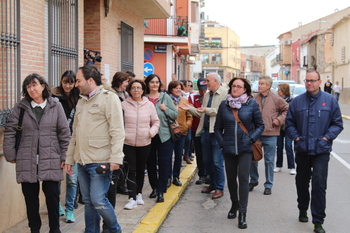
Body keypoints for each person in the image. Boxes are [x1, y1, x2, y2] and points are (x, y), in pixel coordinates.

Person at [4, 73, 71, 233]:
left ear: (43, 86)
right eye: (28, 87)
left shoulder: (56, 105)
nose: (31, 89)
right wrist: (10, 155)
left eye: (34, 85)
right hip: (27, 159)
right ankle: (34, 229)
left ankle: (55, 229)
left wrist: (65, 156)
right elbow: (10, 131)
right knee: (30, 199)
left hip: (51, 158)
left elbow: (64, 132)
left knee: (52, 196)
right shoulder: (20, 108)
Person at [65, 65, 125, 233]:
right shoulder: (81, 101)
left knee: (98, 200)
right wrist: (69, 159)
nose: (76, 84)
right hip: (82, 161)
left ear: (90, 80)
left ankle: (114, 229)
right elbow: (75, 134)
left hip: (101, 161)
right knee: (88, 201)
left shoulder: (109, 98)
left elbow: (117, 131)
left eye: (78, 80)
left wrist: (116, 158)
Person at [285, 70, 343, 233]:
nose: (309, 83)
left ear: (319, 81)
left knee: (319, 184)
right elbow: (289, 124)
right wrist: (297, 138)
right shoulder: (297, 102)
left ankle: (318, 221)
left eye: (312, 80)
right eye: (307, 80)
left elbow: (337, 124)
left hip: (321, 151)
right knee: (302, 182)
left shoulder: (330, 101)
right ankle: (302, 208)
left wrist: (326, 138)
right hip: (302, 149)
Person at [215, 77, 264, 229]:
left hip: (245, 148)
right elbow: (217, 128)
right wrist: (223, 142)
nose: (235, 88)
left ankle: (243, 213)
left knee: (243, 179)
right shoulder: (224, 105)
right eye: (233, 86)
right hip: (228, 148)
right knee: (230, 179)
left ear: (245, 89)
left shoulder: (251, 104)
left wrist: (251, 138)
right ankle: (234, 204)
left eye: (238, 86)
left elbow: (260, 125)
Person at [187, 73, 227, 199]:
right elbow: (202, 114)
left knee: (217, 162)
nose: (206, 83)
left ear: (216, 81)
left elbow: (222, 112)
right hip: (205, 132)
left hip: (217, 133)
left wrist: (206, 110)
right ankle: (213, 184)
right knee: (207, 161)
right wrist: (189, 109)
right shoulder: (207, 94)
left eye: (208, 81)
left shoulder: (225, 93)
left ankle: (219, 188)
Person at [122, 79, 160, 210]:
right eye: (133, 88)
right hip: (128, 142)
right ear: (130, 90)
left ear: (143, 90)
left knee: (140, 169)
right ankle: (131, 197)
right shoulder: (123, 104)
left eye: (139, 88)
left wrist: (150, 133)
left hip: (145, 142)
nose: (136, 90)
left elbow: (156, 122)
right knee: (130, 169)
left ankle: (139, 194)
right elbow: (118, 123)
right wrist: (123, 135)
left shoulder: (149, 105)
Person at [249, 76, 289, 195]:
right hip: (256, 133)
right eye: (259, 84)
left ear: (268, 86)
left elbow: (287, 109)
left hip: (271, 133)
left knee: (269, 160)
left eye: (262, 84)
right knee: (253, 159)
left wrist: (279, 119)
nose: (259, 86)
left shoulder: (276, 99)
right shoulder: (254, 99)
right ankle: (253, 180)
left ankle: (268, 184)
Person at [51, 70, 80, 223]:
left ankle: (69, 209)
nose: (67, 85)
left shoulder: (79, 97)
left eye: (70, 82)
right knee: (55, 178)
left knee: (72, 179)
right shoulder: (54, 98)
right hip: (56, 142)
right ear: (61, 81)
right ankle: (56, 205)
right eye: (65, 82)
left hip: (73, 143)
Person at [145, 74, 178, 203]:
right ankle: (154, 187)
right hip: (148, 136)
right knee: (151, 163)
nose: (154, 84)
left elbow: (175, 114)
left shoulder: (165, 97)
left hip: (164, 136)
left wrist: (165, 109)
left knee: (164, 163)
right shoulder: (144, 98)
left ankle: (161, 191)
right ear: (147, 84)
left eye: (157, 82)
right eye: (152, 82)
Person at [167, 81, 193, 187]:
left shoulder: (184, 100)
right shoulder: (166, 100)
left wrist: (186, 126)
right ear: (171, 90)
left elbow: (190, 116)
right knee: (168, 156)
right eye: (175, 88)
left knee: (178, 156)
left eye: (179, 88)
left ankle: (176, 177)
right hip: (169, 133)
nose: (178, 90)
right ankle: (168, 177)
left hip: (181, 133)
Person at [186, 77, 208, 184]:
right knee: (199, 153)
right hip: (196, 128)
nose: (203, 91)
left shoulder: (210, 95)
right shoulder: (192, 96)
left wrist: (196, 110)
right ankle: (202, 174)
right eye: (201, 89)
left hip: (207, 128)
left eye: (204, 88)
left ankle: (209, 174)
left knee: (208, 153)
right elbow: (191, 110)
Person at [274, 83, 296, 175]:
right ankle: (279, 165)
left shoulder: (291, 101)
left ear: (283, 91)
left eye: (279, 89)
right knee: (279, 146)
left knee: (288, 146)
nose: (277, 91)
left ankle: (292, 167)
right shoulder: (277, 100)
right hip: (279, 126)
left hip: (288, 126)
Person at [180, 80, 194, 164]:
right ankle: (181, 155)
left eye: (191, 85)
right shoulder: (179, 96)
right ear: (184, 86)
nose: (190, 87)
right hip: (180, 121)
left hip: (188, 121)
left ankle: (187, 155)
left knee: (188, 139)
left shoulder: (191, 96)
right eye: (189, 85)